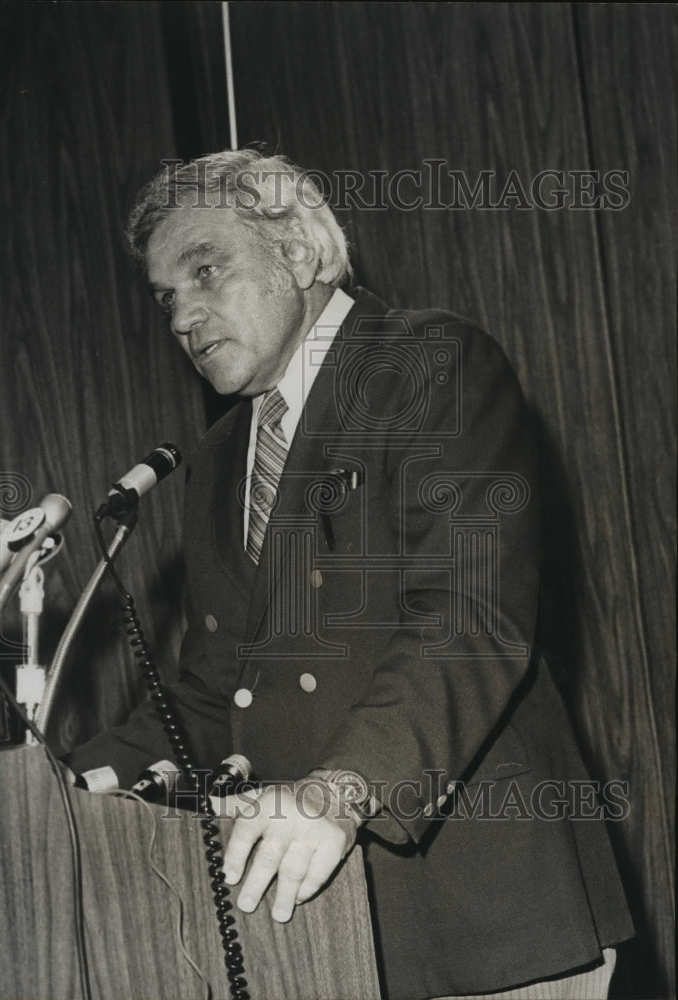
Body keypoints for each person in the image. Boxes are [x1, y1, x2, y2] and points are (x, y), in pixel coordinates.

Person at [68, 149, 633, 999]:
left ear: (295, 252)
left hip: (479, 913)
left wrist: (340, 791)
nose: (183, 315)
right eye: (165, 296)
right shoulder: (220, 457)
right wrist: (68, 781)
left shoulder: (424, 366)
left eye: (206, 270)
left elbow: (470, 619)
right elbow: (214, 692)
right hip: (321, 934)